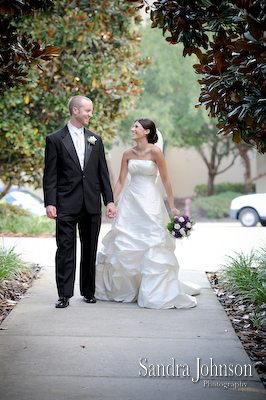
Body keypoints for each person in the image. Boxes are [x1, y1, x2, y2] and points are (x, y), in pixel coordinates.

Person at [95, 117, 200, 309]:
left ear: (147, 132)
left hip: (150, 201)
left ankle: (153, 290)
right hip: (130, 201)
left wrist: (172, 206)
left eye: (136, 127)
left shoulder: (156, 152)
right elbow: (120, 181)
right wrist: (111, 202)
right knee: (126, 242)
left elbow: (166, 180)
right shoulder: (127, 153)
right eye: (133, 126)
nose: (132, 129)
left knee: (151, 242)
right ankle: (127, 289)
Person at [43, 95, 116, 308]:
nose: (90, 115)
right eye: (88, 111)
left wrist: (109, 201)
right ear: (75, 111)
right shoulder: (55, 139)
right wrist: (50, 202)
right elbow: (50, 175)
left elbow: (103, 173)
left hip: (91, 203)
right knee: (65, 249)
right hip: (65, 203)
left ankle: (88, 291)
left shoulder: (96, 139)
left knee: (90, 249)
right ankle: (64, 295)